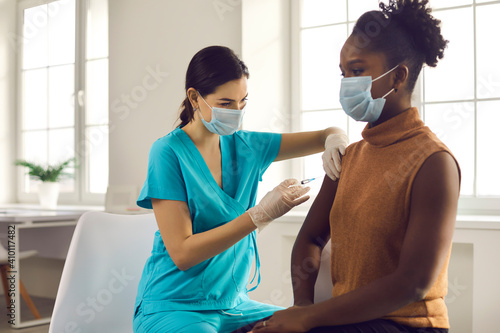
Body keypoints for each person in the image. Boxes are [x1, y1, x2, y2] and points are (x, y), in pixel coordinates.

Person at [244, 0, 461, 332]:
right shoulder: (350, 157)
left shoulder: (434, 163)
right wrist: (301, 305)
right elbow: (310, 239)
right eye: (343, 72)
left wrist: (308, 319)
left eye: (357, 71)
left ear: (398, 76)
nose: (347, 83)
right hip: (344, 320)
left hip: (408, 325)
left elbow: (414, 282)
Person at [132, 45, 349, 333]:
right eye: (225, 103)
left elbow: (325, 135)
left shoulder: (247, 146)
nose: (237, 112)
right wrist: (260, 215)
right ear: (194, 98)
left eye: (242, 101)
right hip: (175, 305)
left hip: (235, 305)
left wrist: (336, 139)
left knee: (310, 327)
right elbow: (183, 254)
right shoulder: (168, 153)